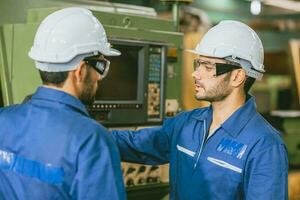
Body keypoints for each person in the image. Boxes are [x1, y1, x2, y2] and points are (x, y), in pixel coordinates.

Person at [111, 20, 288, 199]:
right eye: (199, 64)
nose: (195, 74)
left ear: (237, 76)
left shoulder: (265, 146)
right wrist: (89, 133)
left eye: (208, 66)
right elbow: (134, 144)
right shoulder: (186, 124)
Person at [0, 7, 126, 199]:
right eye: (100, 66)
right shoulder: (91, 140)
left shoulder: (4, 119)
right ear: (81, 71)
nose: (99, 78)